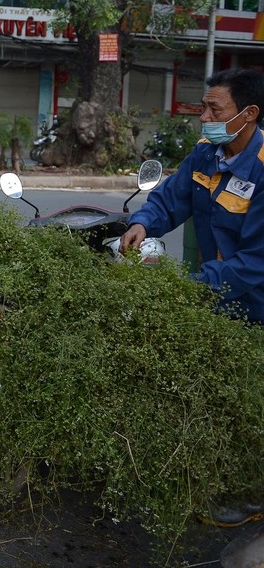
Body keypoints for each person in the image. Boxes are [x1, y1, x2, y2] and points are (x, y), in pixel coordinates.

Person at [119, 68, 264, 527]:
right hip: (213, 298)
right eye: (203, 107)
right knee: (209, 396)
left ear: (249, 114)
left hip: (254, 305)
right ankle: (207, 479)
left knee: (248, 404)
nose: (204, 117)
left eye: (213, 109)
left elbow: (257, 261)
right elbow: (170, 198)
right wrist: (143, 223)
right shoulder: (206, 155)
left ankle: (248, 493)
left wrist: (194, 287)